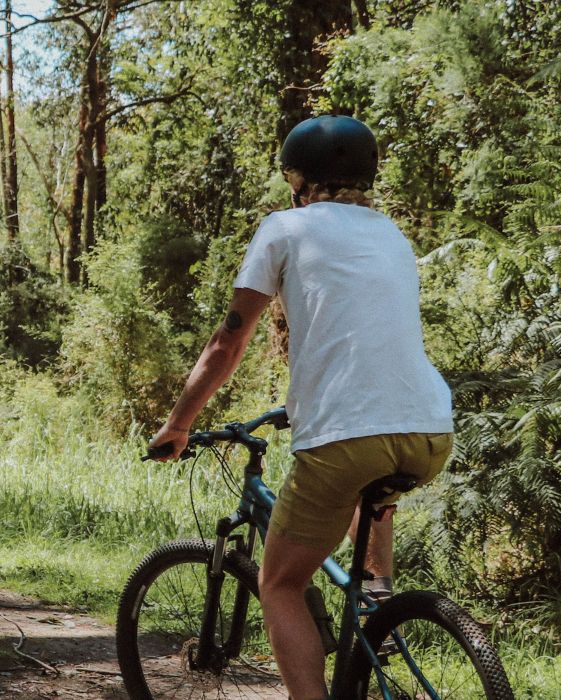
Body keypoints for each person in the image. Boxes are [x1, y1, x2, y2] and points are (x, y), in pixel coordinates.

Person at [146, 115, 453, 700]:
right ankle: (377, 604)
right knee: (373, 487)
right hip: (429, 428)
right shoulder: (390, 233)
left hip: (348, 437)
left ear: (297, 179)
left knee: (280, 584)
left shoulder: (284, 228)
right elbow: (365, 335)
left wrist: (178, 423)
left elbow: (228, 341)